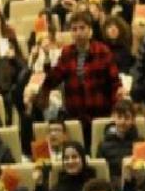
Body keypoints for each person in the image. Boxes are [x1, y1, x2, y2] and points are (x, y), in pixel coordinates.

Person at [39, 12, 119, 144]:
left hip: (101, 114)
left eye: (82, 28)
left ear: (90, 31)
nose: (78, 32)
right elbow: (53, 79)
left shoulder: (103, 51)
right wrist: (47, 56)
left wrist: (115, 112)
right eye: (74, 29)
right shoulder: (67, 52)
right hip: (76, 115)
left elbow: (115, 83)